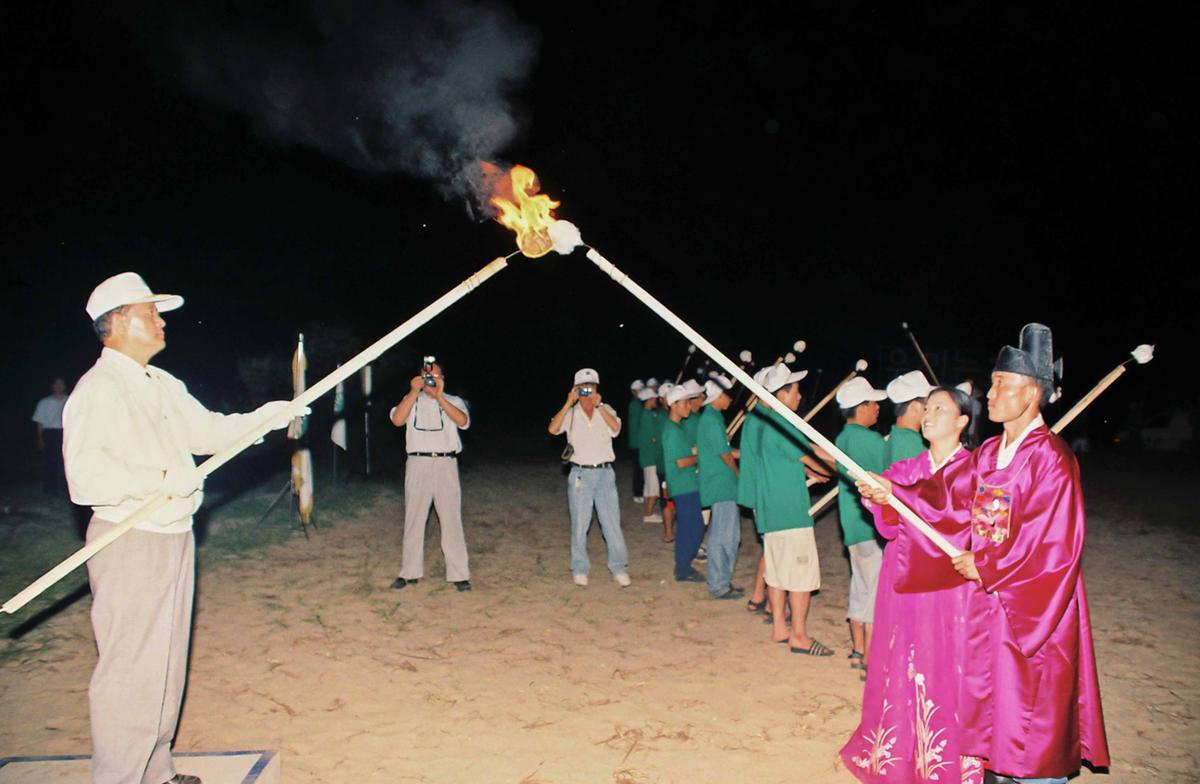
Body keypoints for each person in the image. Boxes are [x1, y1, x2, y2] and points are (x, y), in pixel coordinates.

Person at [64, 272, 301, 784]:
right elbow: (85, 479)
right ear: (121, 321)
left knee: (166, 662)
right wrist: (158, 480)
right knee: (130, 667)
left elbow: (209, 430)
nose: (161, 319)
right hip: (129, 539)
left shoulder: (161, 384)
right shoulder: (97, 390)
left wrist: (267, 417)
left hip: (174, 534)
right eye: (151, 312)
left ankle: (155, 770)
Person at [873, 324, 1109, 783]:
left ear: (1033, 392)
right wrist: (894, 493)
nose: (992, 393)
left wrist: (986, 565)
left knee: (1032, 715)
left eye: (1004, 384)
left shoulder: (1052, 459)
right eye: (994, 381)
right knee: (993, 709)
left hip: (1033, 609)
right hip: (990, 608)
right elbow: (945, 499)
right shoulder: (988, 455)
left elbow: (1055, 544)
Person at [841, 386, 983, 784]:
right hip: (903, 581)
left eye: (940, 408)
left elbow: (950, 513)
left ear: (961, 421)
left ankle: (950, 756)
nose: (928, 414)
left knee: (945, 664)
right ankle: (901, 751)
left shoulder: (974, 470)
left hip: (950, 587)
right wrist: (876, 494)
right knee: (903, 662)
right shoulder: (910, 467)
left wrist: (896, 496)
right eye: (926, 407)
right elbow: (889, 518)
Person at [755, 363, 836, 654]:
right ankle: (799, 635)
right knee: (801, 577)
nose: (800, 396)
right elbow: (813, 456)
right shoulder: (784, 424)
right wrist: (840, 467)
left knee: (776, 574)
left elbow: (794, 460)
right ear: (783, 393)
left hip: (773, 511)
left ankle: (780, 627)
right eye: (796, 390)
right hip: (790, 512)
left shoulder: (769, 424)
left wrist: (814, 471)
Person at [388, 357, 472, 592]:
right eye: (427, 376)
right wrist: (413, 392)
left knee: (451, 519)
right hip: (417, 463)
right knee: (414, 518)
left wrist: (440, 397)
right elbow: (396, 420)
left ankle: (458, 574)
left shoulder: (453, 401)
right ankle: (409, 572)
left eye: (435, 376)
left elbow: (463, 421)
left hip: (446, 463)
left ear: (443, 379)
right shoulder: (410, 400)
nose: (430, 380)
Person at [548, 368, 631, 587]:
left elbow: (616, 429)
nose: (588, 391)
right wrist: (568, 402)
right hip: (580, 474)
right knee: (580, 523)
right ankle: (580, 567)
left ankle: (618, 567)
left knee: (611, 523)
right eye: (583, 388)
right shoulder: (571, 413)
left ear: (597, 387)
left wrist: (600, 406)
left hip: (604, 473)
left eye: (591, 386)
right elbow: (553, 428)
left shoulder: (607, 409)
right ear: (575, 389)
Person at [834, 376, 889, 675]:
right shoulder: (869, 440)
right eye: (872, 403)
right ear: (861, 407)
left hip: (850, 524)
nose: (877, 407)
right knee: (875, 591)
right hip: (870, 524)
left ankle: (857, 649)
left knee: (860, 584)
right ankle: (869, 657)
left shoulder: (842, 438)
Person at [697, 375, 742, 598]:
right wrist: (739, 472)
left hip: (722, 484)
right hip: (720, 483)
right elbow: (725, 455)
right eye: (727, 395)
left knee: (730, 536)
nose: (730, 400)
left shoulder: (713, 418)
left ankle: (723, 580)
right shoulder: (712, 420)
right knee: (723, 536)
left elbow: (724, 449)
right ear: (719, 396)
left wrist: (746, 455)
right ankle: (718, 585)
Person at [661, 384, 705, 582]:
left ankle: (684, 566)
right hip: (683, 485)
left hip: (689, 483)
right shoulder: (671, 430)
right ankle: (683, 568)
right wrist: (702, 456)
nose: (689, 406)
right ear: (674, 405)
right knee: (690, 527)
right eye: (685, 402)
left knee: (694, 526)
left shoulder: (678, 428)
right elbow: (681, 461)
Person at [884, 370, 931, 465]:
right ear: (915, 407)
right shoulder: (909, 444)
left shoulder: (895, 436)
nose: (931, 410)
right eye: (928, 405)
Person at [33, 377, 69, 494]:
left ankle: (66, 489)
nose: (59, 386)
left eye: (61, 384)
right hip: (49, 433)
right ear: (52, 386)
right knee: (49, 462)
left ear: (64, 386)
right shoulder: (44, 402)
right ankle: (49, 489)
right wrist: (40, 440)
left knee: (66, 462)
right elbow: (39, 423)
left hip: (66, 433)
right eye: (56, 384)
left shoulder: (70, 400)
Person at [636, 382, 663, 525]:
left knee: (648, 487)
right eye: (653, 399)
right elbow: (653, 438)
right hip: (650, 457)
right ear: (647, 400)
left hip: (647, 457)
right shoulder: (647, 417)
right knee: (653, 488)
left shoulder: (647, 415)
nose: (655, 401)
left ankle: (647, 512)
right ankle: (649, 514)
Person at [627, 379, 646, 502]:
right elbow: (640, 425)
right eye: (639, 390)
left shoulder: (640, 404)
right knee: (638, 469)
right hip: (636, 443)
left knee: (641, 468)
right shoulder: (635, 404)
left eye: (642, 389)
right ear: (633, 392)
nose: (641, 392)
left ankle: (640, 491)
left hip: (639, 442)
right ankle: (637, 493)